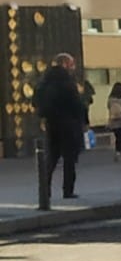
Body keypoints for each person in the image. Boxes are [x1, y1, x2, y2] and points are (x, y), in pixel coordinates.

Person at [32, 53, 88, 199]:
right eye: (71, 64)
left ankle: (45, 190)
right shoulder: (67, 81)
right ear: (64, 64)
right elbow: (76, 103)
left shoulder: (44, 81)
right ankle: (67, 190)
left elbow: (36, 101)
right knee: (69, 159)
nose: (73, 67)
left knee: (51, 158)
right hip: (68, 124)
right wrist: (83, 120)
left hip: (52, 123)